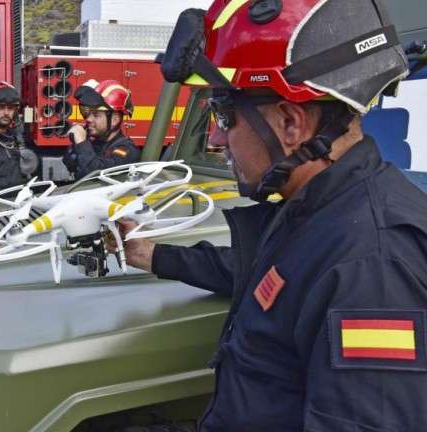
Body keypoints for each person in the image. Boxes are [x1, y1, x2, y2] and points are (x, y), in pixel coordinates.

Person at [118, 1, 427, 431]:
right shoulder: (313, 211)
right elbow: (263, 274)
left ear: (289, 124)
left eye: (224, 115)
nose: (215, 137)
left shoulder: (373, 269)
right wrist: (152, 255)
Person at [62, 79, 139, 180]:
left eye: (96, 115)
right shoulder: (95, 143)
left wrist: (82, 144)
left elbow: (95, 175)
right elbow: (70, 164)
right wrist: (76, 145)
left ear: (114, 120)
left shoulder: (126, 151)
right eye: (88, 114)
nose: (88, 119)